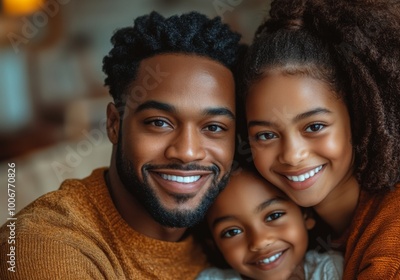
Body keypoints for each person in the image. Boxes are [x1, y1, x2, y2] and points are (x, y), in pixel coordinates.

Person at [240, 0, 400, 279]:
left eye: (314, 126)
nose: (291, 154)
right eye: (266, 135)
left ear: (358, 118)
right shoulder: (301, 238)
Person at [0, 11, 243, 279]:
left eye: (214, 127)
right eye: (159, 123)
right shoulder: (48, 247)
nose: (186, 152)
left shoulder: (233, 233)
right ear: (114, 124)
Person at [195, 168, 343, 280]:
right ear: (214, 243)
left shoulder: (331, 270)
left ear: (306, 215)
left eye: (274, 216)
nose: (259, 242)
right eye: (232, 232)